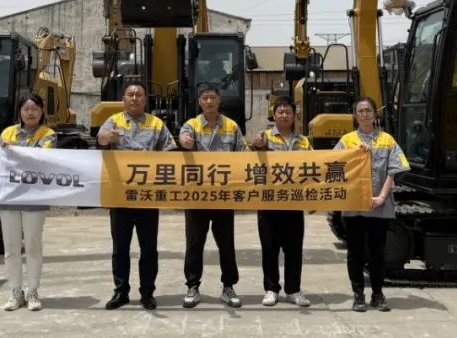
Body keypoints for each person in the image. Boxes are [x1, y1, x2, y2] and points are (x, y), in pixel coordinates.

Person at [97, 80, 177, 310]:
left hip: (148, 197)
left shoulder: (156, 124)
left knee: (149, 248)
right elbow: (100, 140)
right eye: (130, 95)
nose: (134, 98)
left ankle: (147, 292)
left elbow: (170, 151)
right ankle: (120, 292)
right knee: (120, 248)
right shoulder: (114, 121)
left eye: (139, 94)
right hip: (120, 196)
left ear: (145, 99)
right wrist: (107, 138)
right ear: (123, 100)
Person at [334, 96, 409, 313]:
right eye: (361, 111)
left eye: (368, 110)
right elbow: (334, 166)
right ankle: (358, 294)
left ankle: (378, 293)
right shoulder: (347, 140)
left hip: (379, 207)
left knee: (377, 252)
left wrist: (382, 197)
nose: (365, 114)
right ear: (355, 115)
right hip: (353, 207)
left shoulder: (386, 140)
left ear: (375, 114)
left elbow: (393, 170)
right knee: (355, 253)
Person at [0, 93, 57, 312]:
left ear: (41, 111)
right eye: (26, 109)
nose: (30, 113)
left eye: (34, 108)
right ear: (20, 112)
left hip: (34, 196)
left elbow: (43, 159)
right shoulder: (7, 133)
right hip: (8, 196)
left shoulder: (48, 135)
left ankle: (33, 292)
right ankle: (16, 292)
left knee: (33, 245)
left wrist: (14, 149)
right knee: (11, 247)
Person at [177, 83, 248, 309]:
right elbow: (183, 138)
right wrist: (184, 142)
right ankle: (192, 286)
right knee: (194, 244)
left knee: (226, 244)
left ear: (219, 100)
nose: (209, 101)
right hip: (197, 197)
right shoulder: (191, 125)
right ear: (199, 101)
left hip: (223, 197)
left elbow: (244, 155)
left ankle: (229, 287)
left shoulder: (231, 126)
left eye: (212, 97)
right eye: (205, 98)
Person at [251, 96, 311, 308]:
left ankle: (293, 290)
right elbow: (251, 160)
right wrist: (258, 146)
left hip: (294, 202)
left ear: (294, 115)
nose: (284, 115)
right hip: (269, 201)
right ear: (274, 115)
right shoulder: (264, 137)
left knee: (294, 249)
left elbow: (315, 167)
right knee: (269, 248)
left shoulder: (303, 141)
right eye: (280, 112)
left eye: (288, 112)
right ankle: (271, 289)